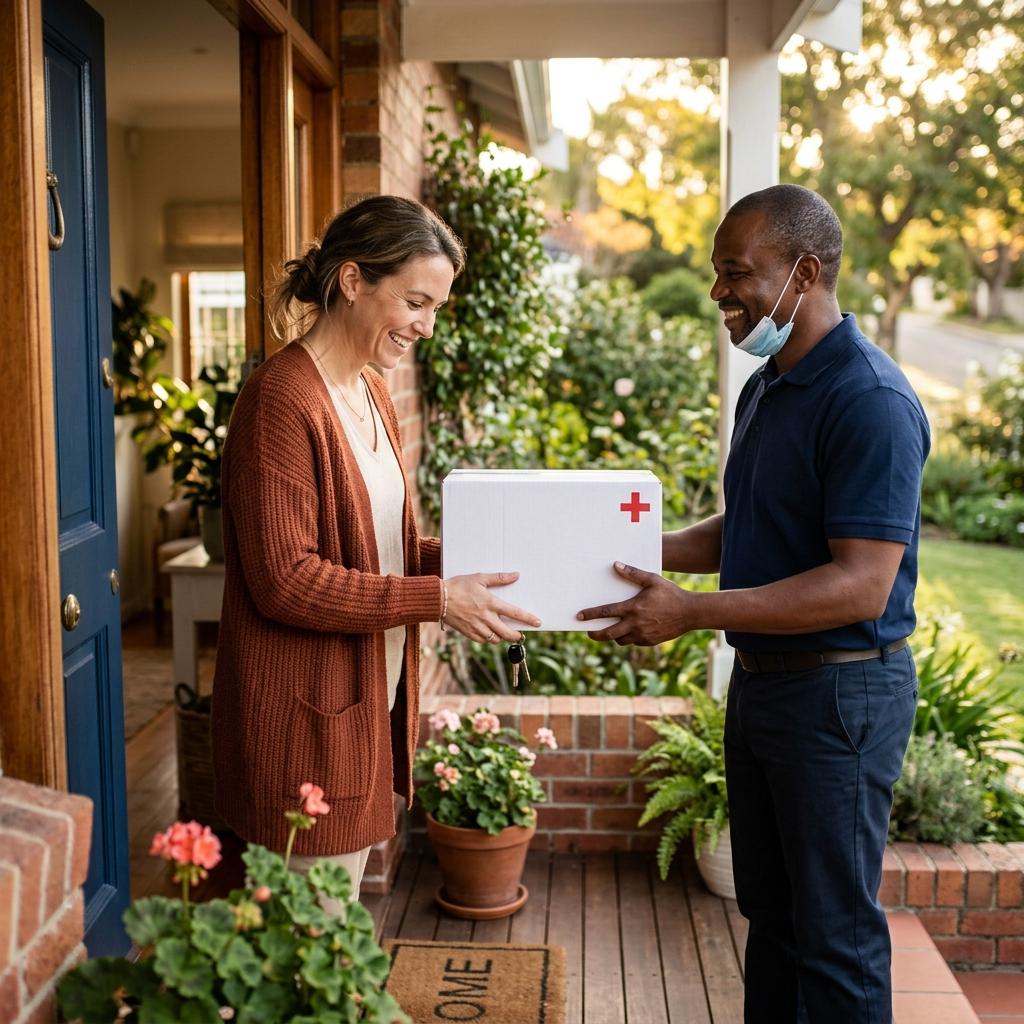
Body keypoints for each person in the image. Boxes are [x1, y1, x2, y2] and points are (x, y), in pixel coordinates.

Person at [578, 184, 930, 1022]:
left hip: (841, 697)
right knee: (770, 919)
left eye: (736, 273)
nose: (718, 295)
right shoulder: (771, 382)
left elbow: (860, 582)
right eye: (715, 273)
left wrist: (693, 612)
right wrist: (624, 554)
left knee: (833, 937)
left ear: (804, 273)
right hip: (769, 687)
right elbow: (752, 524)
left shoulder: (871, 403)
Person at [211, 195, 540, 904]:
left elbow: (376, 546)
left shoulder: (369, 391)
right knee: (307, 957)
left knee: (326, 948)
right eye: (415, 301)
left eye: (437, 308)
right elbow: (286, 580)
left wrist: (468, 558)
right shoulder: (280, 400)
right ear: (354, 281)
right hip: (302, 725)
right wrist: (440, 599)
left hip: (360, 703)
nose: (425, 325)